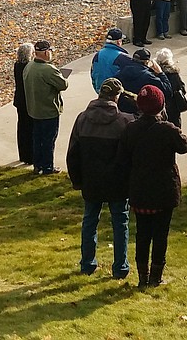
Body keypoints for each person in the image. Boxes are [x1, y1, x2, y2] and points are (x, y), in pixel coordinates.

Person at [118, 84, 187, 288]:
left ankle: (143, 276)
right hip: (163, 189)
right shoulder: (166, 129)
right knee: (160, 234)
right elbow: (184, 145)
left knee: (142, 234)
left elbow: (122, 157)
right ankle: (155, 276)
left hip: (140, 188)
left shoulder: (131, 128)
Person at [67, 77, 134, 279]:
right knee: (120, 222)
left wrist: (77, 180)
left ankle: (87, 263)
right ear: (117, 96)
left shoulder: (82, 119)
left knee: (90, 221)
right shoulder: (125, 121)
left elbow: (73, 153)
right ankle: (120, 267)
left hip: (91, 180)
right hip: (117, 182)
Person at [24, 39, 69, 175]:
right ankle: (48, 167)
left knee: (37, 139)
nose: (51, 53)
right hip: (48, 111)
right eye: (49, 51)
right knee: (49, 140)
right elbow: (63, 85)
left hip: (34, 110)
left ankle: (37, 165)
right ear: (44, 52)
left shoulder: (29, 66)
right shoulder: (48, 69)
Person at [112, 48, 172, 114]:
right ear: (147, 62)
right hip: (139, 111)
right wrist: (160, 73)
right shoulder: (148, 77)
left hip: (122, 110)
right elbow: (167, 90)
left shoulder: (120, 72)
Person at [12, 41, 36, 166]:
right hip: (28, 100)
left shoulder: (17, 65)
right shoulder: (29, 66)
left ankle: (23, 155)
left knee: (22, 128)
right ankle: (30, 156)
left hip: (19, 100)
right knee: (30, 128)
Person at [155, 48, 187, 128]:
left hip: (160, 107)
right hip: (173, 108)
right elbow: (182, 88)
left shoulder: (154, 73)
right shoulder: (173, 74)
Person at [90, 28, 129, 93]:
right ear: (118, 42)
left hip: (100, 90)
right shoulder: (123, 58)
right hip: (116, 93)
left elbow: (93, 73)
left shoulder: (98, 55)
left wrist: (97, 88)